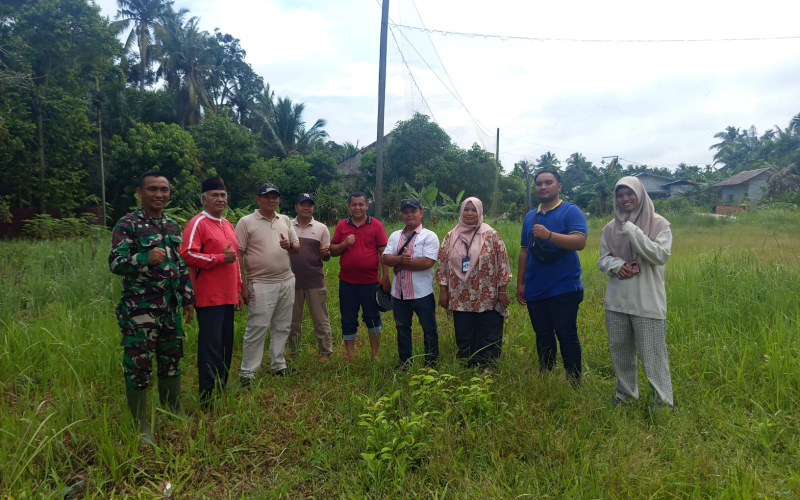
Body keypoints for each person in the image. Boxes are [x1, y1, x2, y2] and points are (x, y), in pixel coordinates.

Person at [109, 171, 196, 446]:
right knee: (139, 365)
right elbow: (115, 262)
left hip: (170, 307)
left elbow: (180, 264)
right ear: (140, 192)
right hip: (141, 309)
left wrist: (188, 296)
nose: (159, 194)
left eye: (164, 189)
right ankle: (140, 424)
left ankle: (173, 408)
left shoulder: (171, 225)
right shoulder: (128, 224)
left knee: (172, 359)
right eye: (153, 189)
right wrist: (143, 258)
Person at [597, 176, 674, 410]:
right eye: (620, 195)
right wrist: (616, 265)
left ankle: (663, 402)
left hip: (647, 301)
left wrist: (632, 231)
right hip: (617, 302)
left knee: (653, 354)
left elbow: (659, 255)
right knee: (620, 351)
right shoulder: (610, 228)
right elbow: (603, 260)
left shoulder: (660, 224)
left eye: (629, 193)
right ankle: (626, 395)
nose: (624, 198)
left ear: (640, 195)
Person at [517, 170, 587, 385]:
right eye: (539, 183)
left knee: (566, 333)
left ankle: (573, 380)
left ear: (559, 186)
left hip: (564, 285)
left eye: (548, 182)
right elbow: (524, 251)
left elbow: (580, 242)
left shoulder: (570, 211)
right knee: (542, 333)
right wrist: (521, 283)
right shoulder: (530, 216)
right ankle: (546, 375)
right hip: (536, 286)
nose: (543, 187)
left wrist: (549, 235)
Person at [181, 177, 243, 407]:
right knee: (210, 346)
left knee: (227, 344)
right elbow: (188, 254)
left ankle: (221, 387)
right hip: (209, 297)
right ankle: (208, 396)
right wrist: (218, 258)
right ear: (204, 199)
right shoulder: (197, 223)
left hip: (228, 295)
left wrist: (238, 289)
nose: (220, 199)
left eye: (223, 195)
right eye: (215, 195)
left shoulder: (227, 224)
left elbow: (234, 261)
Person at [235, 183, 300, 384]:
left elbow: (296, 247)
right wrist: (241, 284)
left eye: (275, 197)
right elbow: (239, 254)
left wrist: (287, 245)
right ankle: (248, 373)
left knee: (282, 325)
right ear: (258, 199)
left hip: (286, 280)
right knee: (257, 327)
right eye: (267, 196)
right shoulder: (246, 222)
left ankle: (278, 365)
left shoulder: (285, 220)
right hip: (260, 283)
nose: (271, 200)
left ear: (279, 200)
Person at [436, 197, 511, 367]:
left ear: (480, 212)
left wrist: (502, 291)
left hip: (487, 293)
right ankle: (467, 362)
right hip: (460, 293)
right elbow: (442, 264)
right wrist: (443, 290)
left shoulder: (491, 235)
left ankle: (488, 364)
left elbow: (503, 264)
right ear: (461, 211)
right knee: (464, 328)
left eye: (474, 209)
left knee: (489, 327)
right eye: (466, 209)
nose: (470, 213)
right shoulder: (451, 236)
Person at [329, 192, 389, 362]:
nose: (357, 208)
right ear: (349, 206)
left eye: (361, 204)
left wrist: (385, 277)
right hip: (347, 282)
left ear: (367, 206)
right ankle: (349, 354)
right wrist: (344, 244)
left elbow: (383, 252)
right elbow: (332, 251)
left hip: (370, 282)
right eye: (354, 204)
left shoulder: (376, 225)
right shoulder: (342, 226)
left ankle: (375, 354)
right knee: (348, 318)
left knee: (372, 317)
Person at [382, 198, 440, 370]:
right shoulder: (394, 235)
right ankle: (405, 361)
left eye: (413, 211)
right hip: (399, 293)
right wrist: (400, 259)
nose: (409, 214)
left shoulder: (429, 236)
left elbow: (428, 262)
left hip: (422, 293)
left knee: (429, 329)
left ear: (421, 213)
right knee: (402, 328)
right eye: (406, 211)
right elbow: (385, 258)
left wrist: (398, 264)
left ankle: (430, 363)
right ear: (401, 215)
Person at [287, 192, 334, 362]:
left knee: (320, 318)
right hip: (291, 280)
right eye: (302, 204)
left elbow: (326, 257)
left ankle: (325, 351)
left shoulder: (321, 228)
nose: (306, 207)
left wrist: (325, 253)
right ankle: (293, 351)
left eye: (309, 205)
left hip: (314, 279)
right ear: (296, 207)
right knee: (292, 319)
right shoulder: (287, 225)